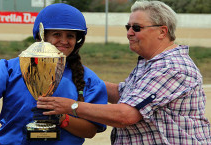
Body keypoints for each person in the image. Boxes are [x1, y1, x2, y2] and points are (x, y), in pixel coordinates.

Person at [36, 1, 211, 144]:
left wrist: (71, 106)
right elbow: (123, 94)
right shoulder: (150, 63)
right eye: (128, 26)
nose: (129, 33)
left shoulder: (171, 67)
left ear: (162, 31)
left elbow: (125, 115)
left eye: (136, 27)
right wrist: (76, 77)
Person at [0, 3, 107, 145]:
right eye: (56, 34)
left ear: (78, 41)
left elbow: (90, 131)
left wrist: (61, 118)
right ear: (42, 36)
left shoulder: (89, 80)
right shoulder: (11, 68)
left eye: (70, 36)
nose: (63, 40)